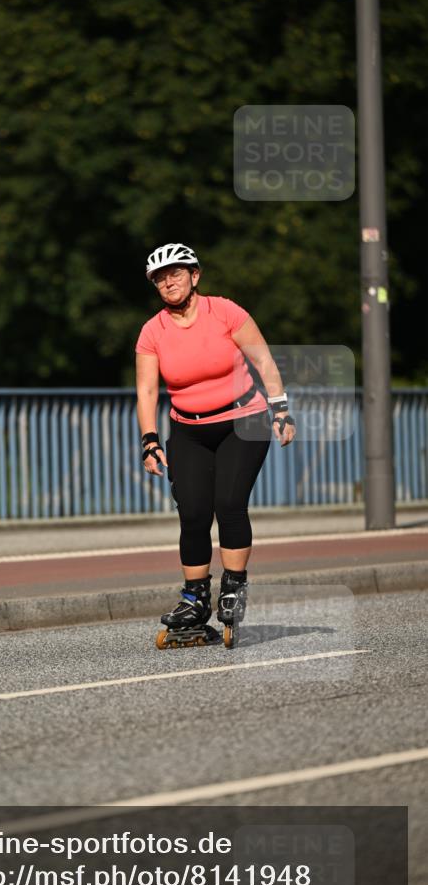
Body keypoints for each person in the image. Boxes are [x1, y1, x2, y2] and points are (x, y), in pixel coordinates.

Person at [135, 242, 296, 641]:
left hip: (243, 420)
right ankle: (194, 598)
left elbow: (264, 362)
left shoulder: (225, 312)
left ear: (194, 276)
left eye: (175, 273)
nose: (168, 282)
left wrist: (280, 410)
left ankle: (233, 588)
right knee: (192, 513)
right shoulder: (152, 331)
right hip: (188, 428)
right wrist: (149, 441)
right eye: (160, 278)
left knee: (228, 503)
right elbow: (147, 392)